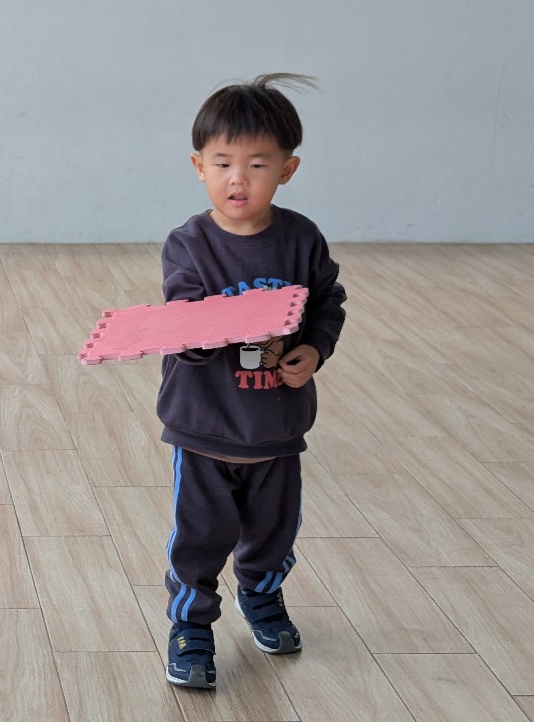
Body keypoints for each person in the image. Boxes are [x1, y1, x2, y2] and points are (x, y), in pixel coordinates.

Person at [157, 74, 347, 688]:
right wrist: (193, 335)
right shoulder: (190, 245)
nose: (238, 178)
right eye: (223, 163)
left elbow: (327, 302)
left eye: (258, 165)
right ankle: (191, 623)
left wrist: (314, 349)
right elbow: (183, 316)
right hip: (205, 426)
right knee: (200, 536)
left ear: (287, 170)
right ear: (198, 167)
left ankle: (261, 594)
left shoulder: (301, 239)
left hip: (276, 427)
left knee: (273, 530)